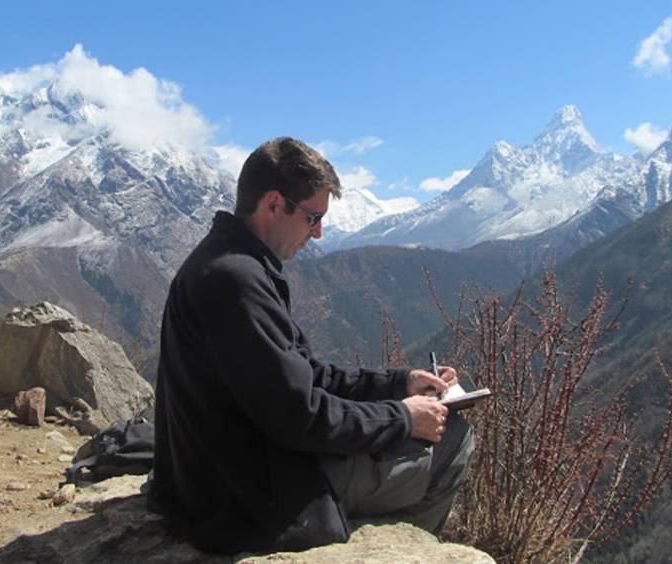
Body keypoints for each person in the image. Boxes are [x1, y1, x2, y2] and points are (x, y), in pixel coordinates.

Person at [149, 137, 474, 554]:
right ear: (273, 204)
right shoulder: (236, 282)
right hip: (248, 494)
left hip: (221, 473)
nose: (318, 233)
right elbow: (299, 416)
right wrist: (403, 419)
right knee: (454, 439)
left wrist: (400, 383)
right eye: (313, 217)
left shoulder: (229, 263)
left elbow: (305, 375)